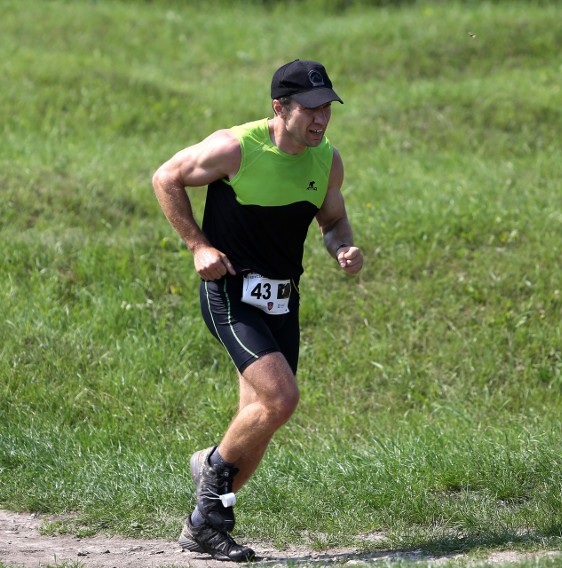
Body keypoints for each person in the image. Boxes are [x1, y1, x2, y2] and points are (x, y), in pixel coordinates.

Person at [152, 59, 363, 562]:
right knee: (281, 399)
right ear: (279, 108)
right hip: (231, 291)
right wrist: (197, 246)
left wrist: (342, 248)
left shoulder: (326, 160)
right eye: (309, 109)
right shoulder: (236, 147)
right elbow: (166, 178)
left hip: (283, 298)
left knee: (258, 417)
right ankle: (209, 495)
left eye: (326, 109)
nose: (320, 120)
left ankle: (205, 508)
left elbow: (332, 220)